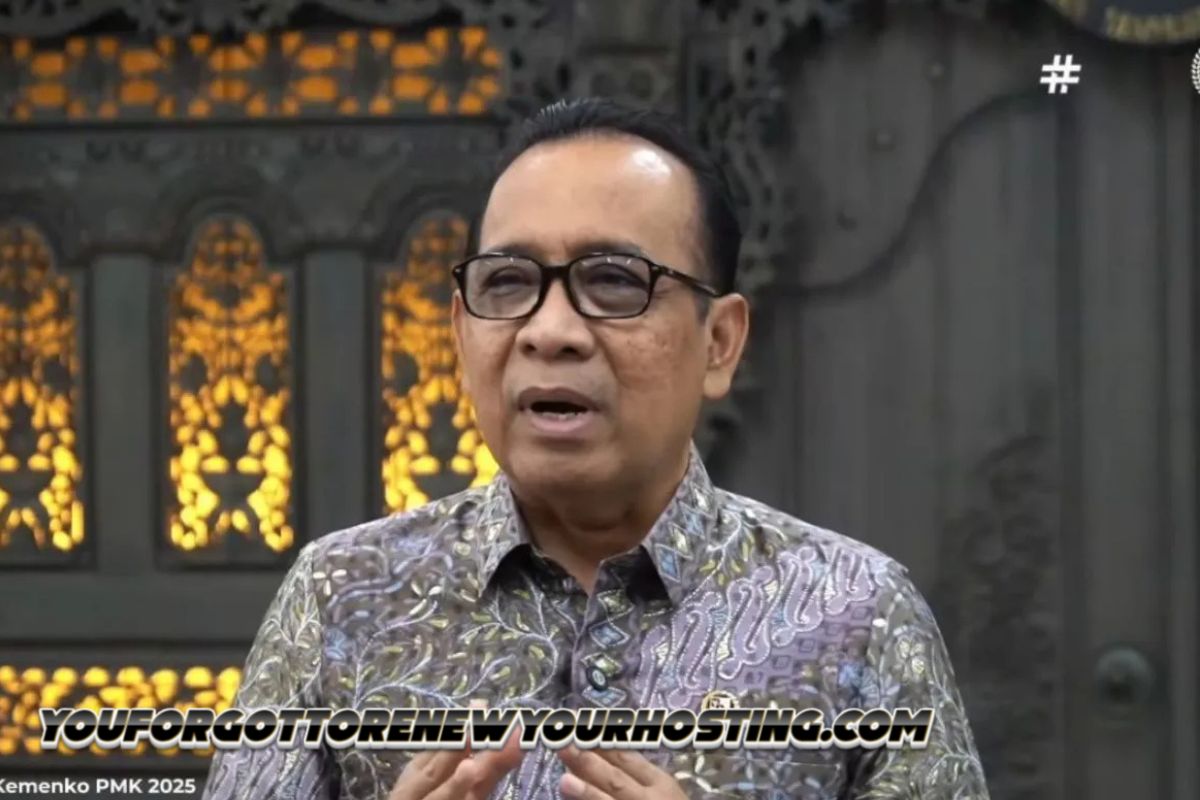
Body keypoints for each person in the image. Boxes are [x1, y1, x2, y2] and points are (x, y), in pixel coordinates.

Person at [201, 97, 990, 800]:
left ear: (719, 342)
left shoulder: (854, 611)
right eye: (508, 283)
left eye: (614, 281)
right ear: (461, 332)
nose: (550, 331)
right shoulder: (343, 596)